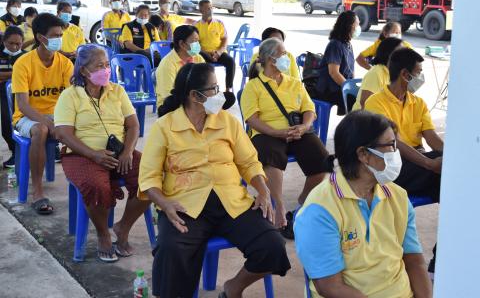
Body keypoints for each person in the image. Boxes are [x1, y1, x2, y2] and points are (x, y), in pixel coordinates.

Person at [138, 63, 290, 298]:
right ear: (194, 96)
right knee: (171, 250)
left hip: (232, 203)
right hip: (185, 205)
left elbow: (249, 162)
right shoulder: (165, 127)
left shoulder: (227, 121)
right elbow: (148, 178)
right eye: (214, 89)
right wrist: (165, 205)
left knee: (272, 245)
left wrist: (262, 190)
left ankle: (233, 288)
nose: (220, 94)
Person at [294, 110, 432, 298]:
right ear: (364, 154)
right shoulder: (320, 210)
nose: (396, 153)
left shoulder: (398, 196)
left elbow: (414, 261)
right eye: (391, 145)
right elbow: (330, 287)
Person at [55, 44, 150, 262]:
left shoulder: (117, 91)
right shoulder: (70, 96)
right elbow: (63, 134)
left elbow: (133, 125)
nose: (106, 70)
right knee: (96, 184)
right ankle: (103, 233)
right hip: (81, 154)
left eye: (107, 64)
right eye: (99, 66)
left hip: (118, 152)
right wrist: (93, 154)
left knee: (151, 176)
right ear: (84, 71)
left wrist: (127, 152)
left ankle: (122, 228)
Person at [241, 38, 331, 236]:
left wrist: (304, 126)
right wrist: (275, 132)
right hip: (266, 133)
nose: (286, 57)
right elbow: (252, 119)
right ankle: (279, 206)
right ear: (271, 60)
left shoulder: (294, 83)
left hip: (296, 131)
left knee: (323, 160)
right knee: (271, 154)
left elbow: (309, 109)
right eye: (282, 54)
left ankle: (302, 202)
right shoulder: (254, 86)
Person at [365, 47, 442, 278]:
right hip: (390, 167)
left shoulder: (417, 102)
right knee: (445, 176)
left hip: (416, 166)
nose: (421, 77)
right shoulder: (376, 103)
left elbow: (431, 138)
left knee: (454, 188)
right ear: (405, 75)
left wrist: (455, 156)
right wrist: (429, 164)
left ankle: (440, 259)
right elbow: (394, 142)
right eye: (419, 72)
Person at [11, 13, 74, 214]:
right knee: (41, 130)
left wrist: (63, 122)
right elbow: (23, 105)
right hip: (27, 117)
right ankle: (37, 192)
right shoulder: (23, 63)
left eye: (60, 34)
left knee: (85, 128)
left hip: (58, 115)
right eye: (55, 35)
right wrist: (49, 123)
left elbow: (71, 99)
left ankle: (85, 182)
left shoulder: (65, 63)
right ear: (40, 37)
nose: (59, 39)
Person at [310, 11, 359, 115]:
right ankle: (352, 128)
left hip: (340, 86)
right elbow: (334, 73)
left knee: (363, 95)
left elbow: (351, 70)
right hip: (328, 89)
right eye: (357, 24)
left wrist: (354, 86)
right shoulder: (335, 45)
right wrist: (349, 88)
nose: (358, 28)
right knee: (356, 101)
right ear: (349, 26)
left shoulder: (348, 45)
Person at [155, 25, 204, 108]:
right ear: (182, 44)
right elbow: (169, 97)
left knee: (218, 111)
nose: (197, 45)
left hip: (195, 102)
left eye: (198, 41)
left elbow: (206, 82)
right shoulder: (167, 64)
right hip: (171, 107)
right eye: (194, 41)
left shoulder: (198, 58)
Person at [352, 37, 404, 110]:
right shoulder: (376, 73)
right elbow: (365, 103)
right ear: (389, 54)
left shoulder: (394, 72)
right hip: (366, 117)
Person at [195, 0, 235, 92]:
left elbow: (225, 39)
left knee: (230, 61)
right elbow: (195, 45)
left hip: (218, 53)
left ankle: (228, 89)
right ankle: (204, 89)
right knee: (200, 63)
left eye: (211, 7)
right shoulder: (196, 25)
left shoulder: (219, 23)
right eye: (207, 8)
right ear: (201, 11)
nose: (210, 10)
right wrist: (207, 54)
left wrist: (219, 52)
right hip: (203, 53)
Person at [0, 26, 26, 168]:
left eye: (19, 44)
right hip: (3, 94)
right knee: (6, 122)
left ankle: (20, 153)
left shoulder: (26, 56)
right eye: (11, 43)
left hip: (23, 94)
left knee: (20, 122)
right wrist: (16, 73)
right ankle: (14, 151)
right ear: (4, 41)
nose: (15, 47)